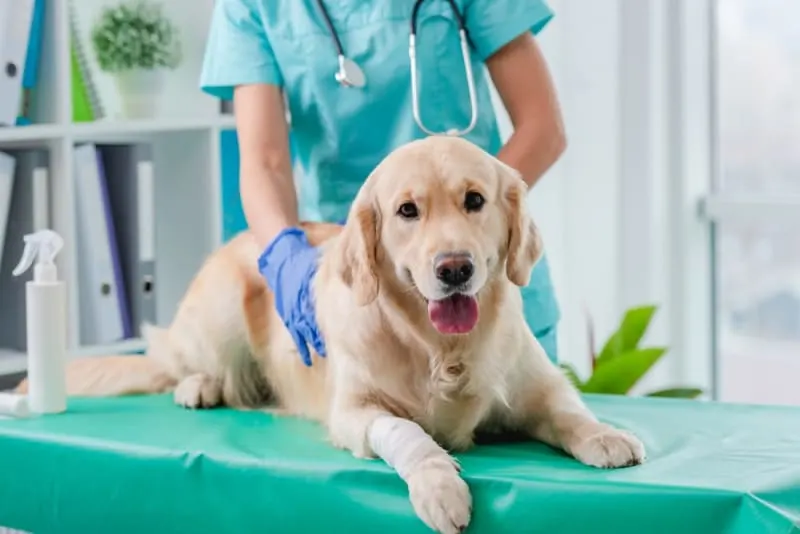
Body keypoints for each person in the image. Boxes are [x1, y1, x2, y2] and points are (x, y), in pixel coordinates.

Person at [199, 0, 566, 367]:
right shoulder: (252, 6)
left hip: (482, 283)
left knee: (519, 399)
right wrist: (284, 255)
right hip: (355, 275)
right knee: (372, 398)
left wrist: (478, 205)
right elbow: (265, 162)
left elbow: (542, 129)